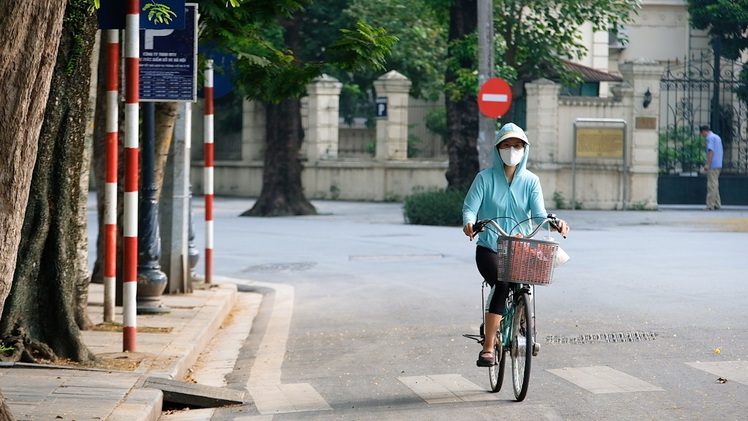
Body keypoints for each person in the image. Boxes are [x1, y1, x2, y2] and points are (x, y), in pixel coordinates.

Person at [462, 122, 570, 367]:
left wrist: (555, 223)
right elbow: (470, 209)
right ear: (498, 148)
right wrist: (469, 223)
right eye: (507, 145)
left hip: (519, 249)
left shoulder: (531, 181)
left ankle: (520, 318)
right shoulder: (484, 179)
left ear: (525, 149)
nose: (512, 150)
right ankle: (488, 347)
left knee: (524, 283)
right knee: (502, 283)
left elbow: (539, 214)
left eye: (518, 145)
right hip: (490, 247)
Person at [699, 125, 723, 210]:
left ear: (704, 131)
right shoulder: (717, 137)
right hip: (718, 163)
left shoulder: (710, 138)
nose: (702, 135)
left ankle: (710, 205)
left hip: (713, 165)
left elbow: (711, 151)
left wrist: (707, 164)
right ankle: (716, 203)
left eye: (701, 133)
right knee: (715, 184)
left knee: (711, 185)